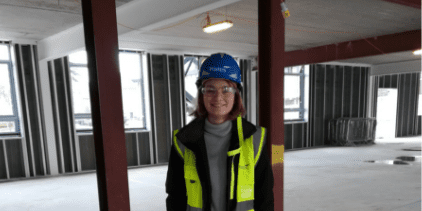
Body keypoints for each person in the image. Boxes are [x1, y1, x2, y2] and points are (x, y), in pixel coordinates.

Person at [165, 53, 274, 211]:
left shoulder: (254, 138)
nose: (218, 97)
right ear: (202, 94)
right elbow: (175, 197)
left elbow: (265, 197)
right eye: (210, 89)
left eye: (226, 89)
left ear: (236, 94)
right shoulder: (183, 141)